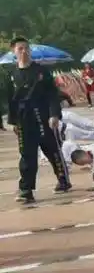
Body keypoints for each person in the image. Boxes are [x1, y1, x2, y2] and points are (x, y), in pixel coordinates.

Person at [5, 36, 71, 203]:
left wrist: (54, 114)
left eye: (27, 48)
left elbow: (52, 95)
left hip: (42, 115)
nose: (24, 51)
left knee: (51, 149)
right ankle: (26, 190)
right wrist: (13, 122)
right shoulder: (10, 74)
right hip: (23, 119)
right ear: (14, 51)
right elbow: (10, 99)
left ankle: (63, 179)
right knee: (27, 155)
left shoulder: (41, 71)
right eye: (20, 48)